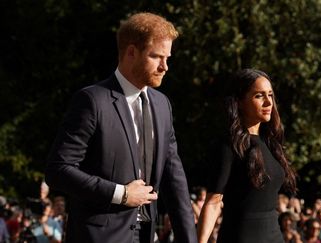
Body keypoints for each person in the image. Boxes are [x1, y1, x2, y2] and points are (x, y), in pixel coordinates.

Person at [45, 12, 197, 243]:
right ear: (131, 52)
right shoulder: (92, 100)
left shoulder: (162, 104)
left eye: (168, 58)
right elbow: (58, 170)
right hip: (99, 236)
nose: (165, 66)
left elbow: (174, 179)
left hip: (147, 235)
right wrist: (121, 194)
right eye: (157, 57)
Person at [197, 69, 297, 243]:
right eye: (259, 96)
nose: (268, 102)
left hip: (274, 236)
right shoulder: (228, 145)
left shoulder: (271, 142)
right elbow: (213, 202)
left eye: (270, 95)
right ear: (240, 102)